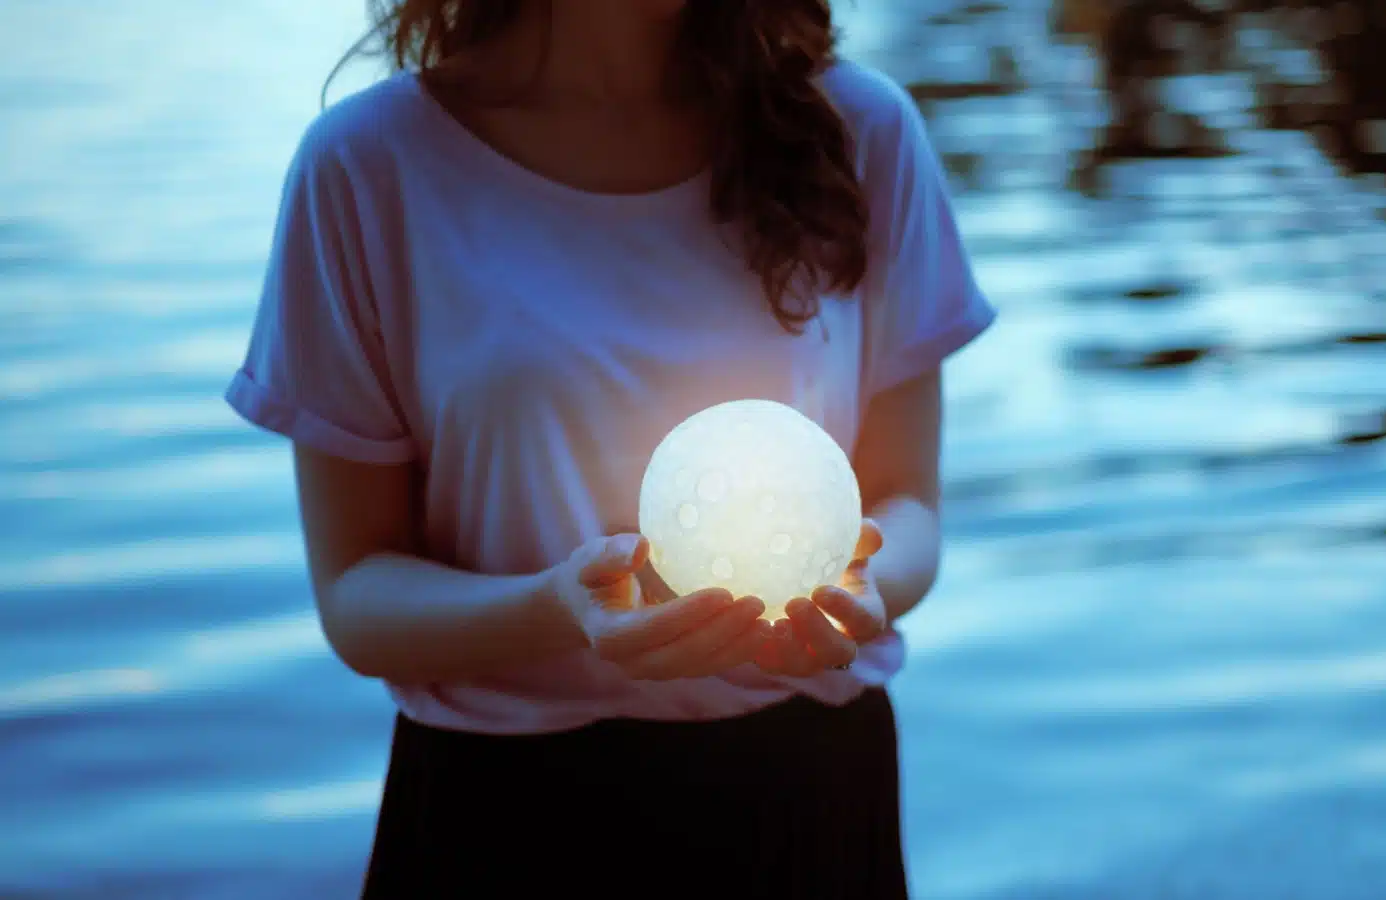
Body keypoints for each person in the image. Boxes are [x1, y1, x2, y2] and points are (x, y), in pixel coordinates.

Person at [223, 0, 995, 896]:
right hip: (499, 813)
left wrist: (852, 593)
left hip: (809, 794)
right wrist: (561, 609)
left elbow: (910, 509)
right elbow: (356, 595)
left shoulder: (861, 132)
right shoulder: (366, 166)